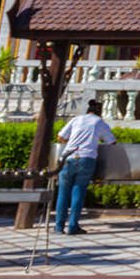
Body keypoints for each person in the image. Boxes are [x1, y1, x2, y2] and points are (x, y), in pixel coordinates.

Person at [54, 99, 116, 235]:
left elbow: (60, 137)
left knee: (63, 193)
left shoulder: (76, 119)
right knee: (78, 191)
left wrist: (72, 140)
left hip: (67, 157)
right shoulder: (99, 122)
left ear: (88, 110)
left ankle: (58, 227)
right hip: (86, 159)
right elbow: (112, 142)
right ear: (100, 112)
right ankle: (72, 226)